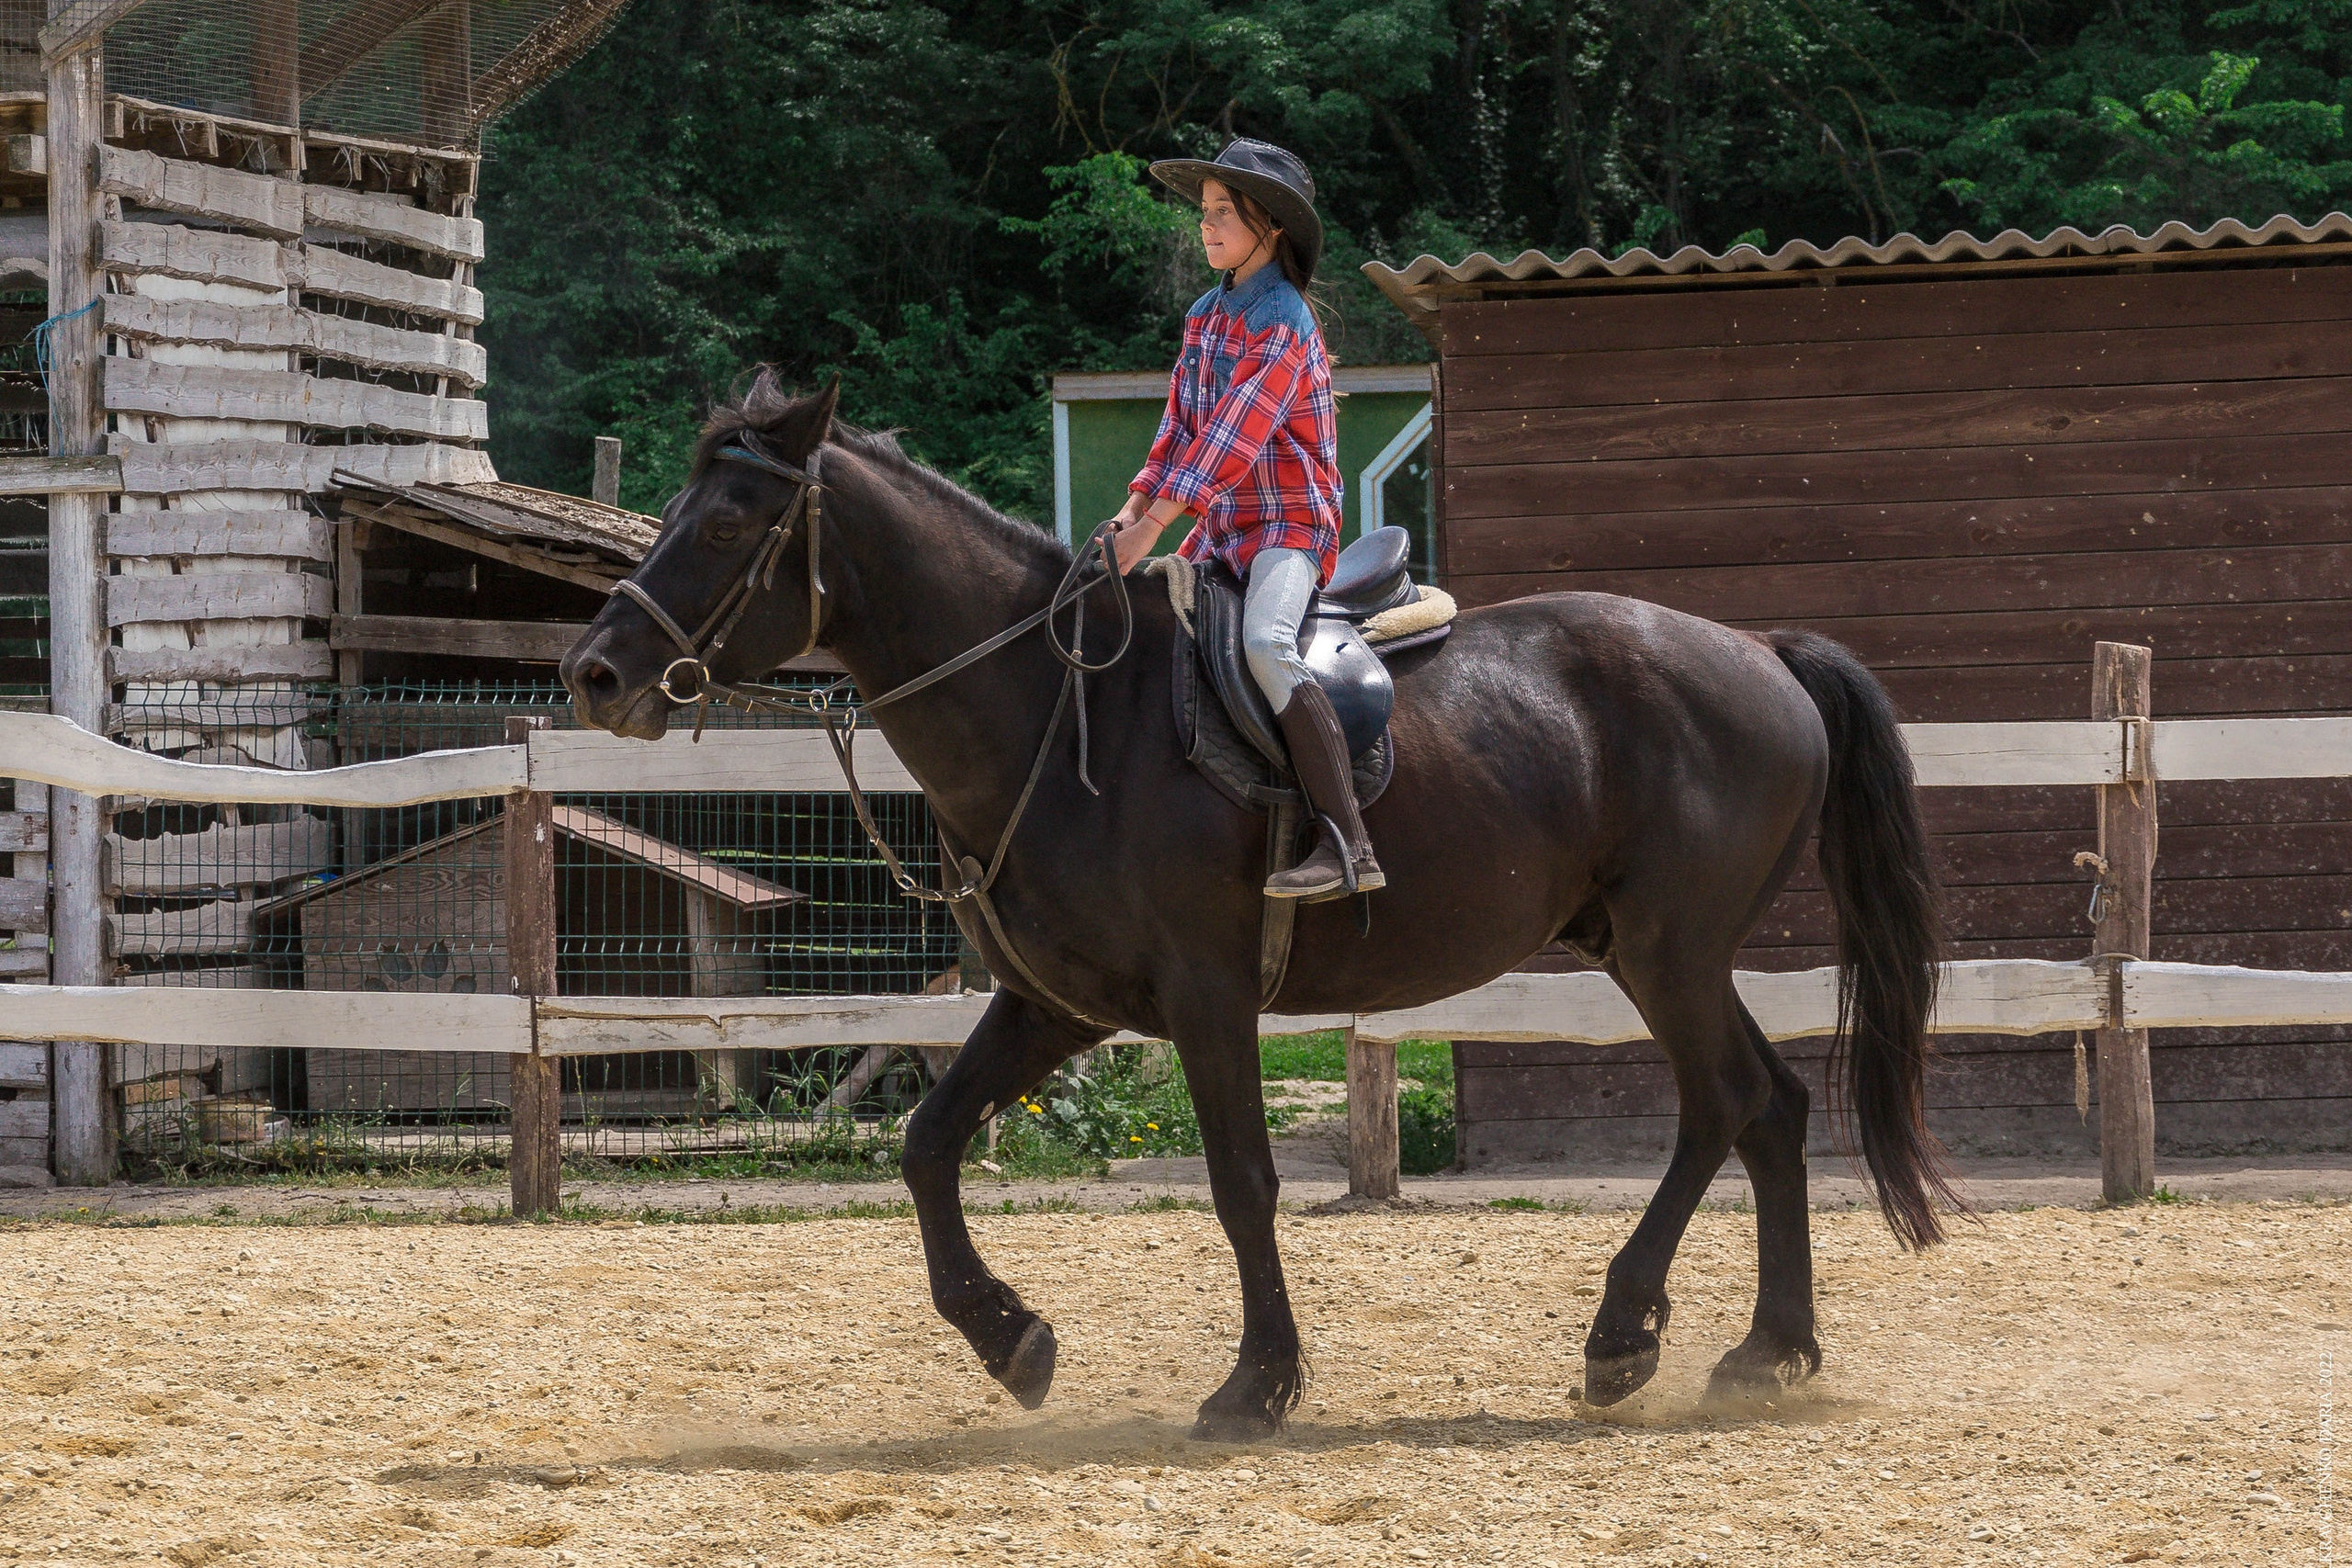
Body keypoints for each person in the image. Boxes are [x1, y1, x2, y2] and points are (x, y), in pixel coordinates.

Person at [1109, 138, 1382, 901]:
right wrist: (1129, 510)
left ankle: (1348, 841)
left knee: (1265, 642)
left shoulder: (1285, 319)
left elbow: (1233, 433)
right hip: (1223, 532)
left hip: (1291, 529)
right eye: (1204, 212)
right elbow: (1179, 431)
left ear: (1273, 229)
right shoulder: (1204, 315)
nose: (1207, 225)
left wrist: (1156, 525)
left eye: (1225, 212)